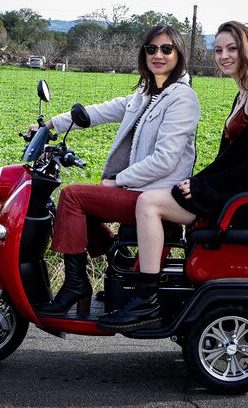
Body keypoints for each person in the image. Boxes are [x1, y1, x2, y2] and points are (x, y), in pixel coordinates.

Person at [98, 21, 248, 331]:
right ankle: (139, 279)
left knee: (149, 203)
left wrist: (202, 186)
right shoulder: (246, 90)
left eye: (232, 48)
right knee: (161, 196)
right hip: (234, 193)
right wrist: (199, 183)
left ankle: (146, 298)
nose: (224, 56)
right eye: (218, 50)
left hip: (242, 204)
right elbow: (232, 159)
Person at [35, 25, 200, 317]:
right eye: (151, 48)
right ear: (143, 54)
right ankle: (119, 259)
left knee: (72, 197)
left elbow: (165, 160)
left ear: (179, 54)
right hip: (139, 189)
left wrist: (118, 182)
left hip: (157, 193)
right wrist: (50, 125)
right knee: (73, 207)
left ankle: (75, 283)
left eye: (166, 49)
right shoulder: (146, 93)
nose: (158, 55)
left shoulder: (181, 98)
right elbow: (99, 111)